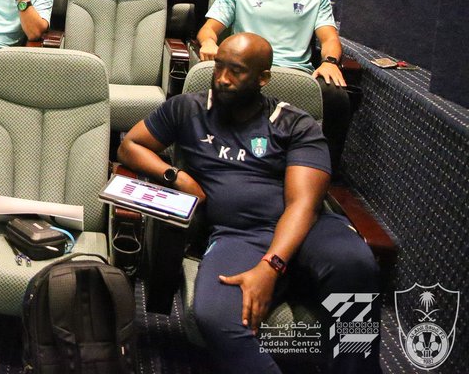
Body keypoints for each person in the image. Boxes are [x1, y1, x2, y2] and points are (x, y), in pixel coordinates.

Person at [118, 33, 379, 374]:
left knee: (356, 265)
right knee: (213, 315)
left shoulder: (293, 122)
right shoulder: (188, 108)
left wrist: (271, 267)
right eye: (218, 68)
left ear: (262, 78)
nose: (223, 79)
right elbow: (130, 146)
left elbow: (303, 205)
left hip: (307, 230)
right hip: (238, 235)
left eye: (236, 71)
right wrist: (175, 176)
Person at [197, 0, 354, 174]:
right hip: (245, 71)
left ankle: (325, 173)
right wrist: (208, 42)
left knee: (336, 96)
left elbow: (329, 39)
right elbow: (208, 29)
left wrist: (330, 61)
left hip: (295, 73)